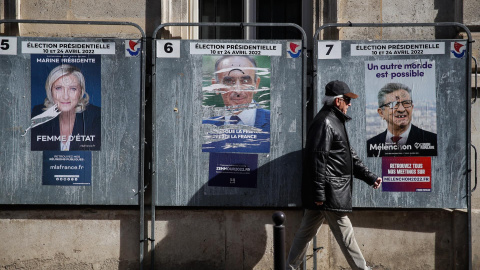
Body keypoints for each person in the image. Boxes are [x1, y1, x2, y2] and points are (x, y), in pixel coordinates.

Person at [286, 80, 382, 270]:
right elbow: (317, 159)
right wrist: (320, 194)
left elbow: (349, 156)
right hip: (330, 192)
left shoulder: (334, 121)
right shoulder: (325, 122)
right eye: (347, 99)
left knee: (305, 231)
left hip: (326, 191)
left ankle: (289, 267)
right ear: (338, 101)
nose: (350, 103)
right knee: (345, 233)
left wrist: (370, 177)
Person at [31, 64, 101, 151]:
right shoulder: (39, 114)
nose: (65, 96)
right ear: (50, 91)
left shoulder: (97, 117)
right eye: (59, 88)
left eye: (73, 89)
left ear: (81, 92)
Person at [366, 82, 437, 157]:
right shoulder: (369, 146)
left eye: (406, 103)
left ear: (412, 108)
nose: (401, 109)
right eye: (393, 104)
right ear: (381, 113)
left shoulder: (433, 142)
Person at [202, 55, 270, 132]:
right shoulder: (203, 127)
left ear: (256, 85)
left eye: (245, 81)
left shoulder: (275, 121)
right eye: (229, 81)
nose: (238, 91)